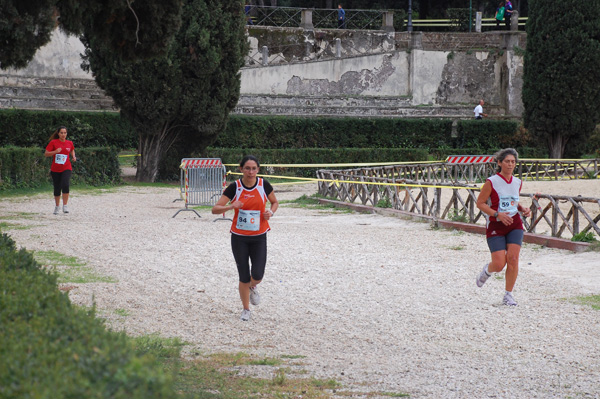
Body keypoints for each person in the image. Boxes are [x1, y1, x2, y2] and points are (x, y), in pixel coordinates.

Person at [212, 155, 279, 321]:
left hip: (259, 236)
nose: (250, 172)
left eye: (254, 168)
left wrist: (270, 212)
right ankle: (246, 309)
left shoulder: (264, 185)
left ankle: (252, 286)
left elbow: (275, 202)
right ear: (241, 169)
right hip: (239, 238)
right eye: (247, 168)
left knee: (257, 274)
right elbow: (215, 209)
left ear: (258, 169)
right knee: (243, 275)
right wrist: (231, 206)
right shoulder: (235, 187)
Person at [475, 148, 531, 306]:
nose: (510, 164)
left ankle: (508, 295)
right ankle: (487, 270)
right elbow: (480, 203)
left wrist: (522, 208)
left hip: (514, 224)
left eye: (513, 162)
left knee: (513, 259)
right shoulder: (491, 182)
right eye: (507, 161)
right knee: (499, 264)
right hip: (496, 225)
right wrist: (496, 214)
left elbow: (513, 201)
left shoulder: (517, 182)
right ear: (499, 163)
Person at [44, 126, 76, 215]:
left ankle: (65, 205)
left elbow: (72, 150)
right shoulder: (53, 142)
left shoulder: (69, 143)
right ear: (58, 133)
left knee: (65, 184)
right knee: (57, 187)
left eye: (65, 133)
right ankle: (57, 206)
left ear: (66, 134)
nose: (63, 134)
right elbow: (46, 154)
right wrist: (55, 152)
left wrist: (73, 156)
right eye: (61, 133)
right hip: (55, 169)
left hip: (66, 167)